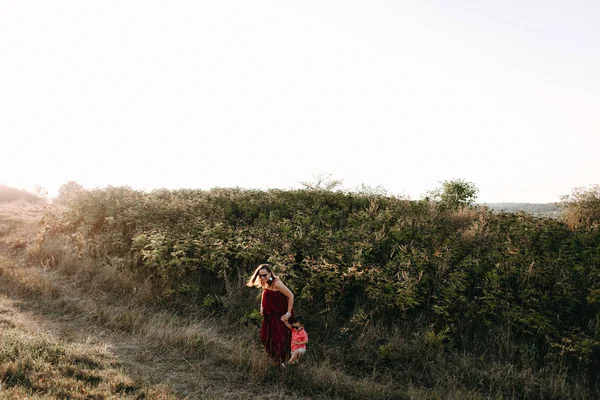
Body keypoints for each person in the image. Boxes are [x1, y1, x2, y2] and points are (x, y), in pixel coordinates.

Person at [247, 263, 294, 365]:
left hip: (280, 316)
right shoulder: (265, 282)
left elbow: (290, 296)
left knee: (279, 341)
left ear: (270, 273)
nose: (263, 277)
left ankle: (282, 363)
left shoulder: (277, 284)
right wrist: (262, 306)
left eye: (265, 275)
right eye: (261, 275)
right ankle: (274, 359)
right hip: (269, 316)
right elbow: (264, 293)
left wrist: (288, 314)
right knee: (265, 337)